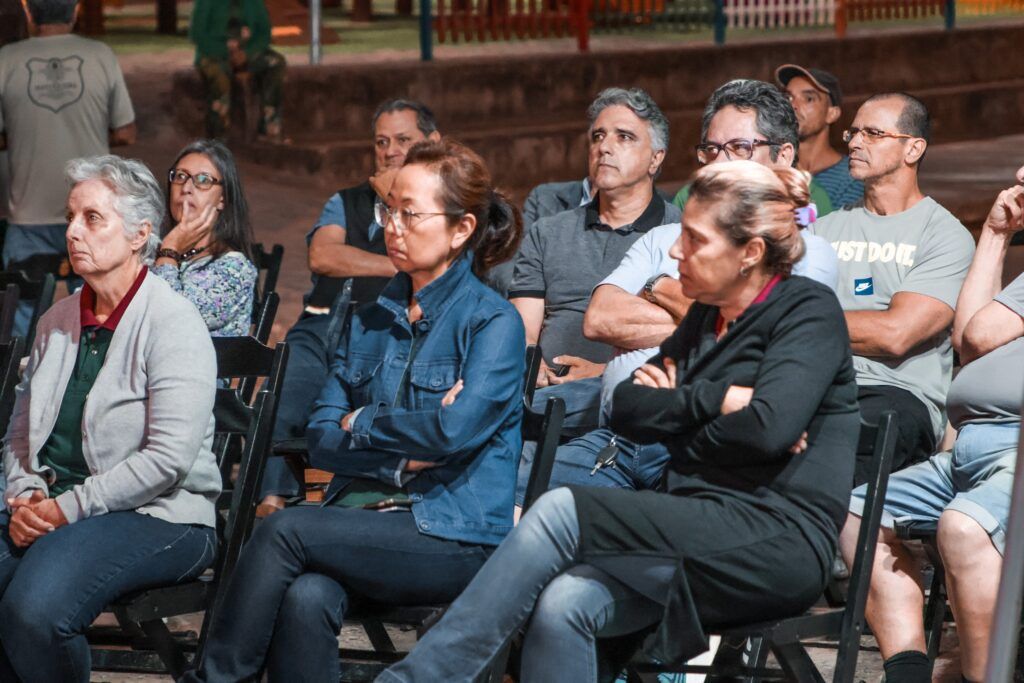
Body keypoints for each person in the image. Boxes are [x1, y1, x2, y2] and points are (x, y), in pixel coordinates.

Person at [378, 160, 858, 683]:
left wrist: (681, 413)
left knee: (562, 508)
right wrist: (718, 401)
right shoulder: (704, 317)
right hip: (690, 521)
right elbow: (628, 409)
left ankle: (416, 679)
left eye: (694, 240)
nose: (676, 252)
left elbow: (769, 428)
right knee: (566, 601)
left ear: (750, 253)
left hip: (775, 540)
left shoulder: (806, 312)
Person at [181, 139, 524, 682]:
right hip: (363, 515)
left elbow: (453, 432)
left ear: (461, 230)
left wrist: (362, 423)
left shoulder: (492, 323)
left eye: (410, 213)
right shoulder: (368, 319)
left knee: (283, 531)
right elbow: (319, 436)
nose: (392, 226)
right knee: (307, 596)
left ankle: (213, 680)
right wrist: (397, 459)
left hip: (452, 533)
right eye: (390, 210)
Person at [523, 79, 838, 502]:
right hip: (615, 437)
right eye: (711, 149)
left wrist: (657, 289)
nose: (718, 162)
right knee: (509, 490)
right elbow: (600, 320)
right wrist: (697, 313)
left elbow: (754, 342)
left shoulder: (805, 250)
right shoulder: (664, 236)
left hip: (701, 447)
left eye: (739, 148)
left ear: (783, 156)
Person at [0, 155, 220, 682]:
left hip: (161, 515)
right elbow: (19, 433)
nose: (73, 231)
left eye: (92, 218)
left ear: (140, 233)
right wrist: (27, 493)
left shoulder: (172, 323)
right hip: (59, 505)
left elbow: (166, 461)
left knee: (36, 610)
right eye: (72, 216)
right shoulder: (58, 319)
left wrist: (64, 510)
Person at [840, 167, 1024, 683]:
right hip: (966, 450)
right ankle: (907, 671)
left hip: (1015, 451)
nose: (1020, 176)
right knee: (857, 511)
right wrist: (994, 234)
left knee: (963, 528)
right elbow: (968, 338)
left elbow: (979, 332)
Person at [256, 99, 441, 514]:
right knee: (287, 383)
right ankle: (271, 501)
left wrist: (395, 202)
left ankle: (354, 501)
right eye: (381, 142)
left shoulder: (439, 210)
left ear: (432, 142)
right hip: (323, 324)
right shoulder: (346, 200)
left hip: (386, 333)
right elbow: (324, 256)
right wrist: (397, 263)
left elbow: (431, 267)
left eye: (403, 140)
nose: (390, 150)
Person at [812, 92, 976, 485]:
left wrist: (804, 320)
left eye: (872, 133)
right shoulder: (822, 230)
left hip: (896, 396)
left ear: (913, 148)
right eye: (853, 132)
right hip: (816, 381)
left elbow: (896, 334)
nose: (853, 142)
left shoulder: (944, 235)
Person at [509, 87, 681, 436]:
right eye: (598, 136)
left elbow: (692, 332)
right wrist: (532, 362)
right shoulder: (549, 232)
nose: (604, 146)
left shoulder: (679, 234)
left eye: (625, 137)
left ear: (656, 158)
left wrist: (602, 370)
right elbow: (522, 325)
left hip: (632, 390)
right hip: (543, 391)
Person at [0, 0, 135, 336]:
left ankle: (22, 384)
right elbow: (126, 132)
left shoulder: (6, 60)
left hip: (28, 212)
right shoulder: (101, 55)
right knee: (99, 313)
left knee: (19, 318)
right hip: (93, 214)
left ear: (28, 12)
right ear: (75, 11)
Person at [153, 139, 257, 337]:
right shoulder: (151, 253)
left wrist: (169, 250)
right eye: (180, 176)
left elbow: (170, 320)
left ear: (222, 199)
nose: (186, 188)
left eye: (203, 180)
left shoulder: (235, 271)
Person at [189, 0, 286, 140]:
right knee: (220, 77)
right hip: (213, 53)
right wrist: (225, 52)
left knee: (276, 63)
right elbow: (197, 34)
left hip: (246, 52)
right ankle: (218, 138)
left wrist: (247, 53)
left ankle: (269, 128)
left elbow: (265, 33)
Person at [776, 64, 864, 209]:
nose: (793, 105)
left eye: (809, 98)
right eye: (788, 97)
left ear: (832, 114)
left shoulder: (852, 177)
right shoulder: (774, 167)